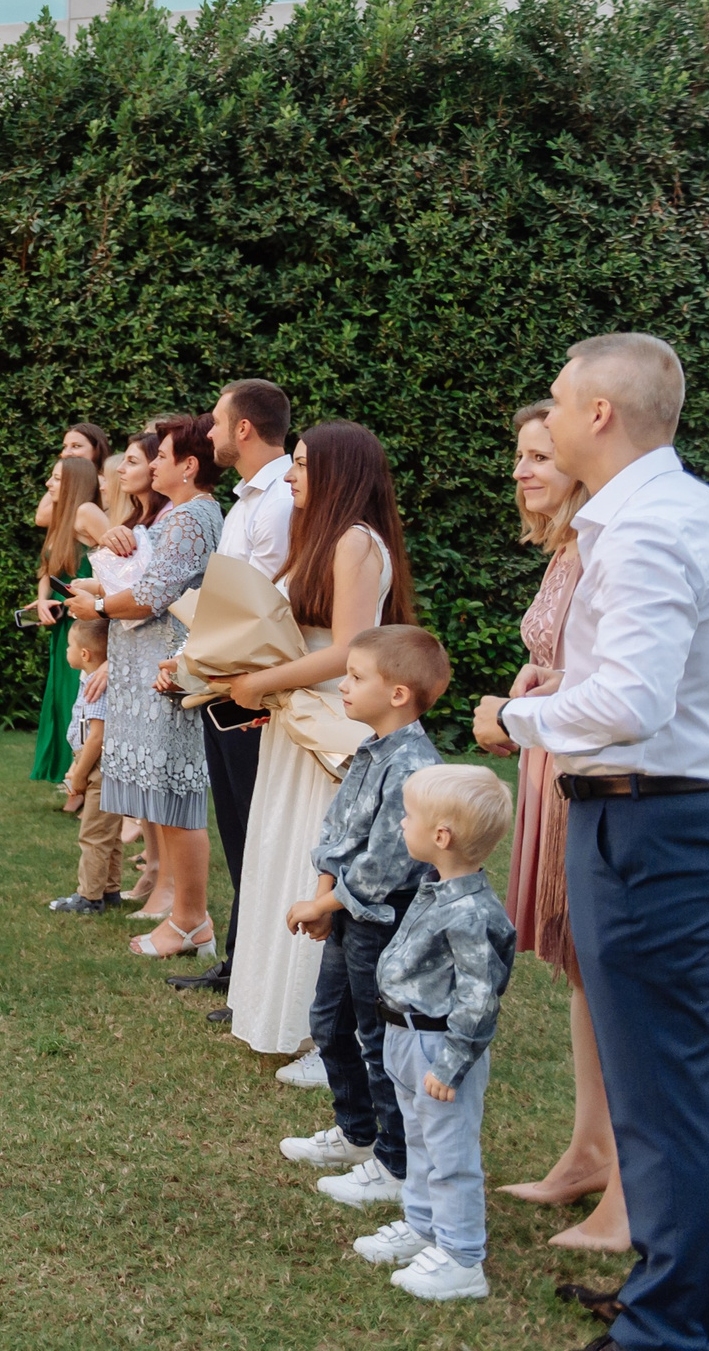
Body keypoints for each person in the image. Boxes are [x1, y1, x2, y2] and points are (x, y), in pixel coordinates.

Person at [478, 333, 709, 1351]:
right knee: (654, 1084)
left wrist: (512, 722)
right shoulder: (669, 513)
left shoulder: (646, 529)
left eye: (554, 401)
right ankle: (670, 1290)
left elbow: (632, 701)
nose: (540, 419)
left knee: (664, 1086)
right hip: (658, 813)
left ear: (598, 415)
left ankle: (674, 1326)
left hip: (655, 820)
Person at [214, 420, 411, 1068]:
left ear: (340, 472)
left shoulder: (355, 543)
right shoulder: (316, 541)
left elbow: (352, 650)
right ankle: (288, 1018)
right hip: (295, 719)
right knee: (281, 855)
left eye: (301, 464)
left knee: (316, 866)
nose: (292, 476)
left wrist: (261, 681)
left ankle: (329, 1040)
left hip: (332, 721)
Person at [488, 404, 623, 1251]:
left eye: (541, 454)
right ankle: (589, 1149)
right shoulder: (566, 550)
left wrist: (529, 702)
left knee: (606, 973)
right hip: (551, 754)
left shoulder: (608, 545)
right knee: (584, 974)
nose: (523, 470)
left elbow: (610, 676)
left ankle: (621, 1180)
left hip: (587, 768)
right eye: (520, 455)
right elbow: (562, 657)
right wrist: (532, 677)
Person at [278, 625, 445, 1209]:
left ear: (397, 693)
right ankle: (356, 1135)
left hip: (382, 922)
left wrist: (323, 903)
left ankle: (395, 1166)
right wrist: (325, 896)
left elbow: (385, 866)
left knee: (379, 1043)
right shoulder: (371, 748)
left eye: (355, 677)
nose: (342, 686)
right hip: (346, 911)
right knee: (328, 1023)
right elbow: (337, 830)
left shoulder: (413, 766)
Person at [353, 763, 517, 1305]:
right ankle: (423, 1228)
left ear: (441, 836)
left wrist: (452, 1062)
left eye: (411, 815)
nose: (401, 822)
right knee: (420, 1141)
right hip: (404, 1035)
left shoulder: (470, 911)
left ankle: (462, 1257)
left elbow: (479, 994)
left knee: (449, 1152)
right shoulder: (434, 888)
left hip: (438, 1046)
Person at [67, 415, 223, 957]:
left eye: (162, 456)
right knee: (160, 800)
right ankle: (179, 912)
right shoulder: (174, 516)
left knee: (177, 803)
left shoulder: (192, 518)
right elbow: (135, 578)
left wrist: (100, 606)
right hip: (144, 673)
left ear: (189, 466)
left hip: (166, 675)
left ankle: (189, 919)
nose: (153, 462)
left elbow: (153, 594)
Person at [176, 378, 296, 1011]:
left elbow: (273, 610)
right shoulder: (246, 500)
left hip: (251, 688)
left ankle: (253, 974)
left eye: (218, 423)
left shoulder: (278, 500)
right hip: (223, 680)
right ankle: (240, 963)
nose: (212, 432)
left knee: (257, 831)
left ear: (245, 429)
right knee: (236, 828)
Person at [74, 430, 169, 905]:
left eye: (131, 461)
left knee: (157, 779)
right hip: (129, 652)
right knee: (142, 779)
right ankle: (153, 871)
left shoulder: (166, 522)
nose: (120, 470)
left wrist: (101, 609)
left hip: (152, 661)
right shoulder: (136, 520)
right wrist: (91, 586)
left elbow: (154, 598)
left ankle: (163, 881)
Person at [29, 451, 103, 783]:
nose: (48, 484)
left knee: (83, 700)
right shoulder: (61, 520)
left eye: (57, 478)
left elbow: (126, 564)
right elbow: (48, 568)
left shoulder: (87, 516)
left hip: (89, 626)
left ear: (74, 483)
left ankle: (82, 777)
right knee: (62, 701)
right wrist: (45, 601)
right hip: (63, 626)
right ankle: (66, 773)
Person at [47, 618, 119, 913]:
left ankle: (89, 897)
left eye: (69, 647)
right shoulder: (87, 680)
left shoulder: (96, 687)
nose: (67, 651)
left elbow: (97, 737)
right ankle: (109, 888)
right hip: (91, 762)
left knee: (93, 833)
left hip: (97, 765)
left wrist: (78, 775)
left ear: (85, 655)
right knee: (107, 834)